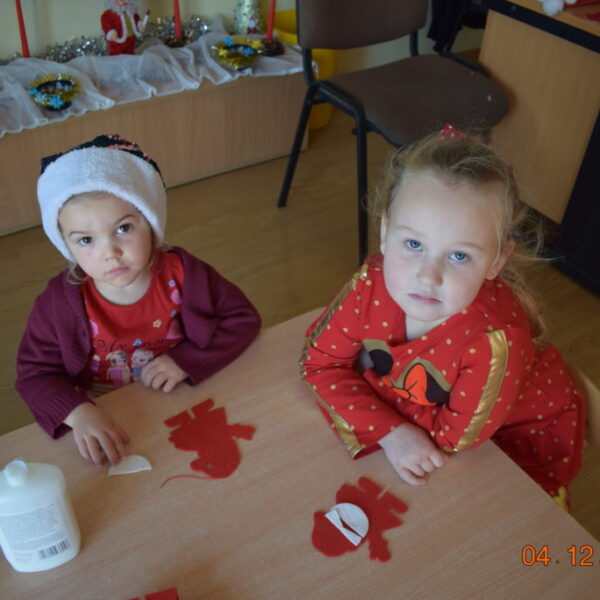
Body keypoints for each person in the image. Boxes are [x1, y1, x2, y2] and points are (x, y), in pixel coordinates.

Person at [300, 125, 585, 510]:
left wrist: (370, 402)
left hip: (516, 447)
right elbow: (317, 363)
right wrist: (391, 430)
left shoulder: (495, 340)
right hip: (437, 427)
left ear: (497, 261)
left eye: (459, 256)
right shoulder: (370, 281)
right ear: (385, 232)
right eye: (413, 244)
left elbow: (453, 439)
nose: (428, 277)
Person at [16, 134, 261, 467]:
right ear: (66, 246)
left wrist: (187, 360)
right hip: (105, 408)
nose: (110, 253)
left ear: (151, 222)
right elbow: (33, 375)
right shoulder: (57, 303)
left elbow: (243, 319)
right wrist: (78, 412)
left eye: (124, 228)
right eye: (86, 240)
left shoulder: (186, 274)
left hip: (181, 392)